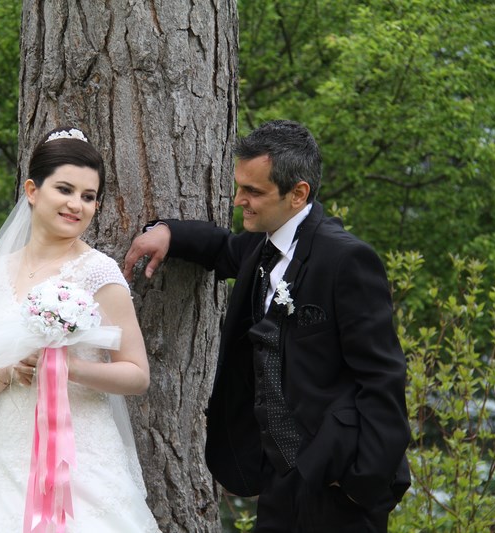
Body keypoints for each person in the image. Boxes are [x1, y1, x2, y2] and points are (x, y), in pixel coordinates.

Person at [124, 120, 410, 532]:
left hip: (338, 483)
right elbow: (223, 249)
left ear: (298, 194)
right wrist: (168, 233)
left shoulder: (346, 261)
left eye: (254, 191)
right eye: (240, 186)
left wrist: (361, 483)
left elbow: (383, 380)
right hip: (279, 481)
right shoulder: (263, 246)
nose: (239, 200)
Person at [0, 127, 161, 532]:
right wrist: (9, 370)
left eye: (88, 197)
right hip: (7, 460)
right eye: (65, 190)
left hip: (83, 462)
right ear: (32, 191)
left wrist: (70, 368)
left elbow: (137, 375)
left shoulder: (99, 272)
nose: (76, 205)